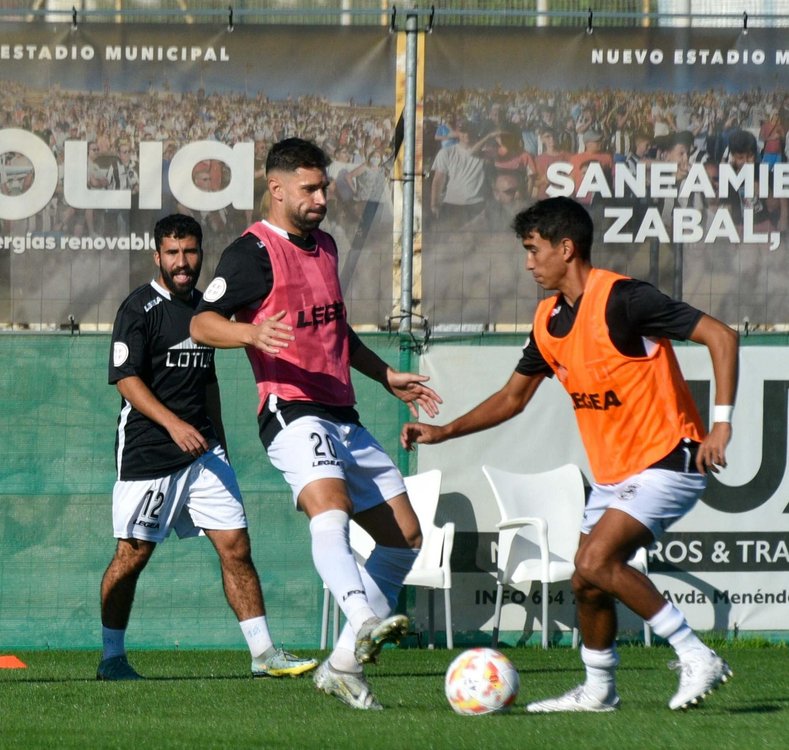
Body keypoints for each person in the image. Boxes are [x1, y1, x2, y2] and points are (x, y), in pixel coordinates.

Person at [403, 197, 737, 712]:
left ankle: (695, 654)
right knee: (586, 581)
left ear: (566, 248)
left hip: (670, 459)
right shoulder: (547, 321)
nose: (529, 263)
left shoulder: (624, 300)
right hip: (614, 475)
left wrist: (720, 424)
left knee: (594, 560)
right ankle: (599, 690)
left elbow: (721, 336)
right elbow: (512, 399)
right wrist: (444, 431)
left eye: (534, 250)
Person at [189, 138, 441, 710]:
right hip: (290, 407)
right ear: (276, 189)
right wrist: (250, 332)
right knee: (331, 508)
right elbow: (203, 323)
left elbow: (335, 331)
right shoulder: (251, 253)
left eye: (323, 187)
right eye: (309, 188)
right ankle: (361, 617)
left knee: (404, 539)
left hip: (342, 410)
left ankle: (344, 663)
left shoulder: (325, 245)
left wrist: (384, 376)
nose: (321, 198)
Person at [98, 213, 317, 682]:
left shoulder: (206, 311)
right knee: (132, 555)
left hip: (204, 452)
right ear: (157, 256)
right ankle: (111, 658)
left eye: (191, 252)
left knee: (236, 545)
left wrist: (219, 440)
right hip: (149, 451)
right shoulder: (138, 308)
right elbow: (126, 380)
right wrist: (174, 425)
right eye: (173, 253)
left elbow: (208, 380)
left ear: (201, 253)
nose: (183, 262)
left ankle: (264, 654)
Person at [429, 120, 486, 227]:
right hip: (452, 204)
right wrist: (434, 204)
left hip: (478, 205)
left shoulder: (485, 152)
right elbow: (438, 180)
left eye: (470, 131)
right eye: (463, 132)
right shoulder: (446, 152)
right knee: (449, 240)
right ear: (458, 133)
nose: (467, 135)